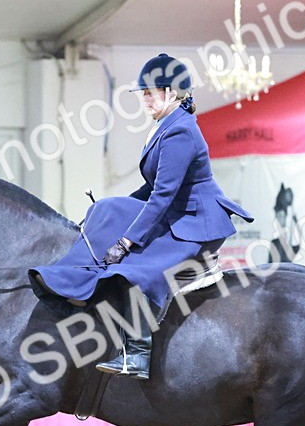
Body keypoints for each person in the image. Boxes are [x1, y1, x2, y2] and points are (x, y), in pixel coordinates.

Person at [29, 53, 253, 380]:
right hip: (176, 212)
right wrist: (108, 211)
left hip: (195, 226)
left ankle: (138, 350)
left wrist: (126, 239)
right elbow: (152, 189)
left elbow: (162, 195)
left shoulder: (180, 132)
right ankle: (70, 295)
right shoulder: (166, 125)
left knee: (137, 267)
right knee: (107, 210)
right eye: (143, 93)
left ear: (173, 93)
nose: (145, 99)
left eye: (151, 92)